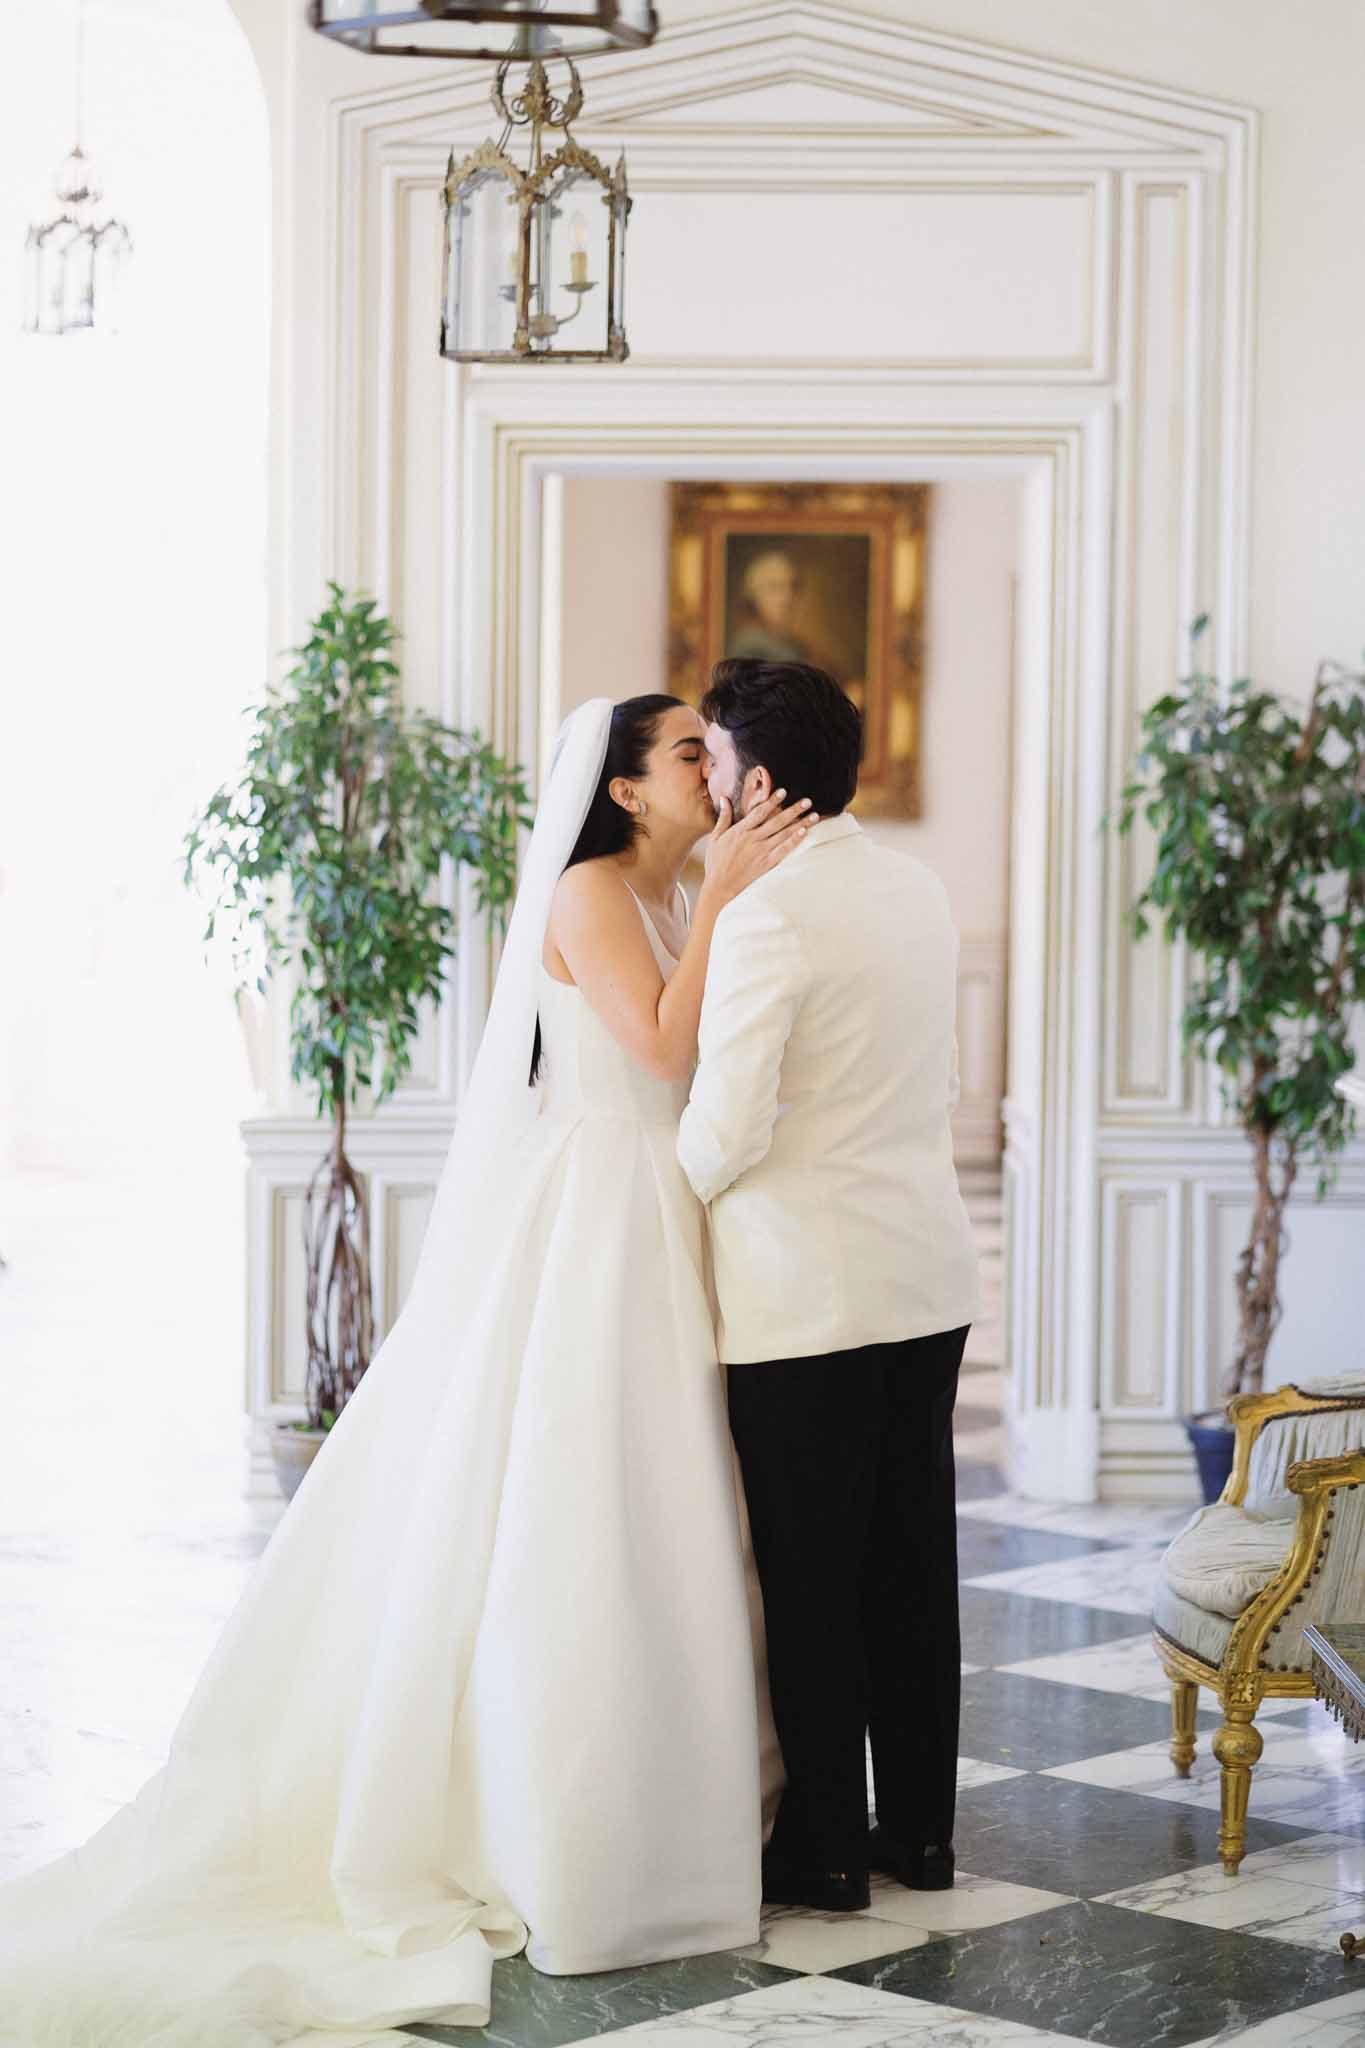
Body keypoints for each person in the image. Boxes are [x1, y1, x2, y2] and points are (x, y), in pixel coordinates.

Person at [0, 695, 809, 2046]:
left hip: (662, 1216)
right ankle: (555, 1827)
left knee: (665, 1513)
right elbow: (660, 1049)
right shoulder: (599, 891)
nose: (708, 773)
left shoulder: (676, 890)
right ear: (621, 792)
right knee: (583, 1507)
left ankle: (673, 1805)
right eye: (685, 755)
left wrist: (724, 897)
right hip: (595, 1224)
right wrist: (727, 897)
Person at [678, 657, 981, 1914]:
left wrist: (653, 1186)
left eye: (710, 758)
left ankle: (823, 1850)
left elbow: (725, 1129)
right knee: (913, 1562)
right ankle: (921, 1832)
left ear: (757, 781)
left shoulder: (763, 915)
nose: (703, 781)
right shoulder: (915, 885)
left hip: (806, 1293)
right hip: (926, 1270)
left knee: (810, 1579)